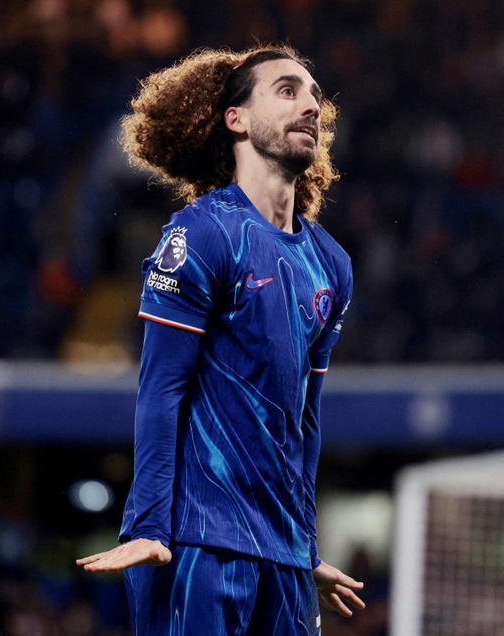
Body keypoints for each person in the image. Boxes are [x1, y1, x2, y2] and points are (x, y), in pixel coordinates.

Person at [75, 43, 365, 635]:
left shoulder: (332, 264)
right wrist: (149, 525)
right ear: (237, 119)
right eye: (287, 91)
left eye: (314, 96)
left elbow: (305, 420)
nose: (311, 105)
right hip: (196, 544)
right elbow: (160, 391)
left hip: (285, 556)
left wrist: (304, 546)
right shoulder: (200, 234)